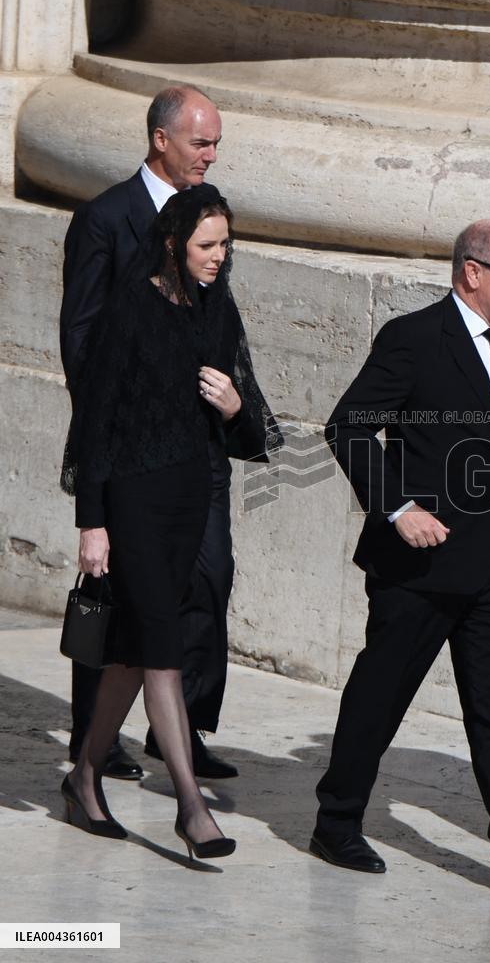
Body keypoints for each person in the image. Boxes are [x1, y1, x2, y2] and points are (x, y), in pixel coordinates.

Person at [311, 220, 490, 892]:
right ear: (471, 271)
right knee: (380, 699)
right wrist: (399, 508)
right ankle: (337, 822)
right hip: (419, 568)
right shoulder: (413, 339)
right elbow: (347, 426)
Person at [60, 185, 280, 857]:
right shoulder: (129, 309)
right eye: (206, 246)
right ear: (172, 243)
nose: (218, 258)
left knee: (132, 651)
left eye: (224, 245)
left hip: (190, 501)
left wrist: (235, 402)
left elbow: (251, 431)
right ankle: (191, 808)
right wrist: (91, 524)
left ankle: (85, 777)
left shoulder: (214, 310)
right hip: (131, 502)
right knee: (161, 653)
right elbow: (95, 424)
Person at [61, 85, 239, 780]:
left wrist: (229, 401)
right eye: (200, 141)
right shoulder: (106, 218)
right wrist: (111, 440)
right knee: (117, 595)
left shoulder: (210, 217)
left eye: (216, 142)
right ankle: (93, 742)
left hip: (197, 447)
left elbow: (220, 318)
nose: (211, 154)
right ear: (160, 138)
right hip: (130, 452)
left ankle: (179, 729)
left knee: (209, 577)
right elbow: (81, 339)